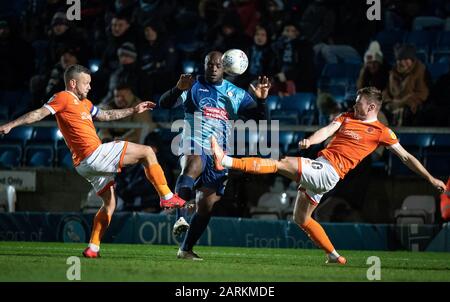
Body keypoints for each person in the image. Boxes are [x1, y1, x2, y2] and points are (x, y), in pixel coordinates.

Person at [211, 87, 446, 264]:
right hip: (322, 167)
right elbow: (327, 130)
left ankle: (226, 161)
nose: (355, 106)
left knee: (280, 163)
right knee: (301, 219)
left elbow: (406, 157)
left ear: (372, 107)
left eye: (359, 104)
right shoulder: (347, 117)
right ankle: (334, 256)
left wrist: (430, 178)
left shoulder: (381, 132)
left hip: (329, 172)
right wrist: (311, 140)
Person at [0, 64, 186, 258]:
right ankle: (166, 197)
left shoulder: (86, 103)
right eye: (86, 83)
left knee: (109, 204)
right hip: (93, 155)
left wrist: (133, 109)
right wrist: (11, 125)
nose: (89, 86)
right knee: (147, 151)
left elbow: (106, 115)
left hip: (85, 165)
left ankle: (93, 247)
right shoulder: (62, 97)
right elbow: (38, 114)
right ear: (73, 83)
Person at [159, 51, 270, 260]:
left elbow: (260, 119)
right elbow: (163, 104)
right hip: (193, 142)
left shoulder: (235, 93)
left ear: (225, 67)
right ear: (204, 65)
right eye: (210, 64)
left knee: (206, 204)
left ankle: (185, 249)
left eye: (218, 65)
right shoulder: (192, 85)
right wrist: (177, 89)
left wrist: (262, 101)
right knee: (192, 164)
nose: (213, 68)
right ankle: (180, 217)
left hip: (218, 153)